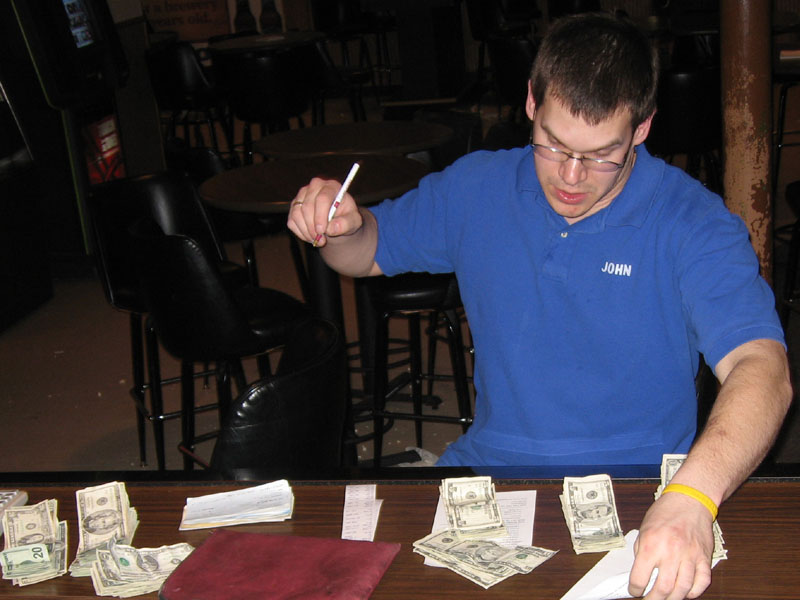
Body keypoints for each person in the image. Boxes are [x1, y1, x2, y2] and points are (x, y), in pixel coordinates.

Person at [288, 12, 792, 599]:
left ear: (643, 127)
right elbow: (367, 253)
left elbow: (764, 370)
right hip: (490, 467)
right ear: (531, 101)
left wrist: (691, 496)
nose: (571, 177)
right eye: (553, 144)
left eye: (602, 155)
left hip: (641, 486)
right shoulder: (477, 186)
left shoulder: (694, 223)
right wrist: (341, 229)